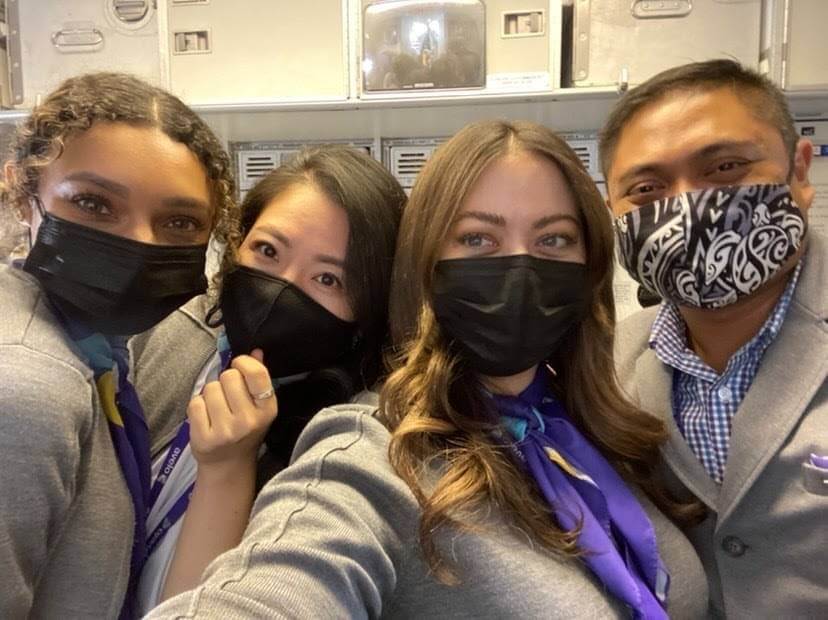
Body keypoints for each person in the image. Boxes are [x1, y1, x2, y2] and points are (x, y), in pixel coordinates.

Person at [147, 120, 707, 619]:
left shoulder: (598, 422)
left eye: (553, 239)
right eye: (477, 239)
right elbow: (285, 577)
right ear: (425, 265)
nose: (516, 267)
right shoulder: (372, 449)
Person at [0, 73, 240, 618]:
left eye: (179, 221)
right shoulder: (25, 387)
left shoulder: (98, 347)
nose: (137, 243)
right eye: (93, 203)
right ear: (22, 194)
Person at [132, 145, 406, 612]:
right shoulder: (169, 335)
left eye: (328, 279)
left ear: (371, 311)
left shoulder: (352, 440)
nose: (281, 288)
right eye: (267, 250)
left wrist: (229, 466)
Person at [601, 59, 827, 617]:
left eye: (725, 167)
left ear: (800, 174)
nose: (687, 207)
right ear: (613, 211)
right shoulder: (604, 370)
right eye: (647, 188)